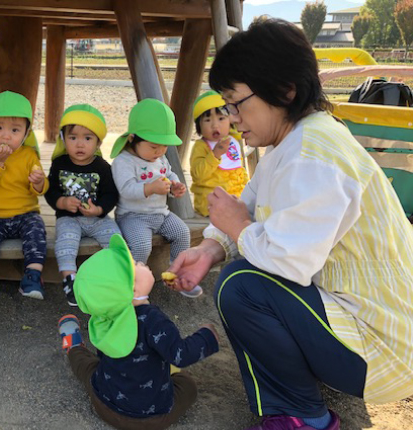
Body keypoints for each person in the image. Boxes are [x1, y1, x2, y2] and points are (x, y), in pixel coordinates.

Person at [167, 19, 413, 430]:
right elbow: (250, 204)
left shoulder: (312, 155)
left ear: (285, 91)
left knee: (241, 286)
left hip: (382, 351)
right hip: (371, 331)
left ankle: (303, 417)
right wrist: (210, 249)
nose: (232, 117)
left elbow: (284, 259)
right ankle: (298, 390)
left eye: (236, 103)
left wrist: (238, 227)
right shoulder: (299, 138)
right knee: (239, 275)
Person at [57, 234, 219, 430]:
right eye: (136, 265)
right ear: (133, 290)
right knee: (187, 386)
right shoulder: (153, 320)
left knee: (89, 367)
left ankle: (73, 345)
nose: (142, 263)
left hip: (104, 404)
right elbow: (180, 355)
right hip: (151, 420)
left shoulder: (103, 315)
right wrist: (207, 336)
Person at [0, 91, 49, 301]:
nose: (6, 136)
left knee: (37, 231)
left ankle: (32, 277)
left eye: (15, 130)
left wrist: (39, 181)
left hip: (25, 213)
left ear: (26, 133)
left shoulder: (29, 155)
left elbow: (41, 188)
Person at [45, 104, 120, 306]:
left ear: (97, 143)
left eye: (87, 138)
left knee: (115, 239)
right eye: (73, 137)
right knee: (65, 243)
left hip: (97, 218)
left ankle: (115, 276)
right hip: (68, 218)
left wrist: (99, 209)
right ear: (63, 139)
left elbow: (111, 194)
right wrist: (61, 201)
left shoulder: (102, 167)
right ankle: (70, 279)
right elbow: (50, 190)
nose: (80, 144)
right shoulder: (60, 164)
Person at [111, 98, 190, 265]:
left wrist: (174, 186)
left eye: (164, 146)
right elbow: (126, 190)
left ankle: (176, 271)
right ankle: (134, 280)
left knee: (183, 233)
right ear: (133, 138)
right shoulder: (124, 162)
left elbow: (169, 174)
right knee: (141, 246)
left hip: (161, 213)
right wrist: (151, 188)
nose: (160, 151)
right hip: (132, 216)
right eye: (154, 147)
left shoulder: (160, 157)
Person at [190, 90, 248, 216]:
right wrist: (214, 155)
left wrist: (232, 116)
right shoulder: (201, 146)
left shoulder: (233, 137)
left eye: (221, 118)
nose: (215, 125)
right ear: (199, 125)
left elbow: (243, 125)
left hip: (237, 200)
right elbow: (197, 175)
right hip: (212, 205)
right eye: (207, 120)